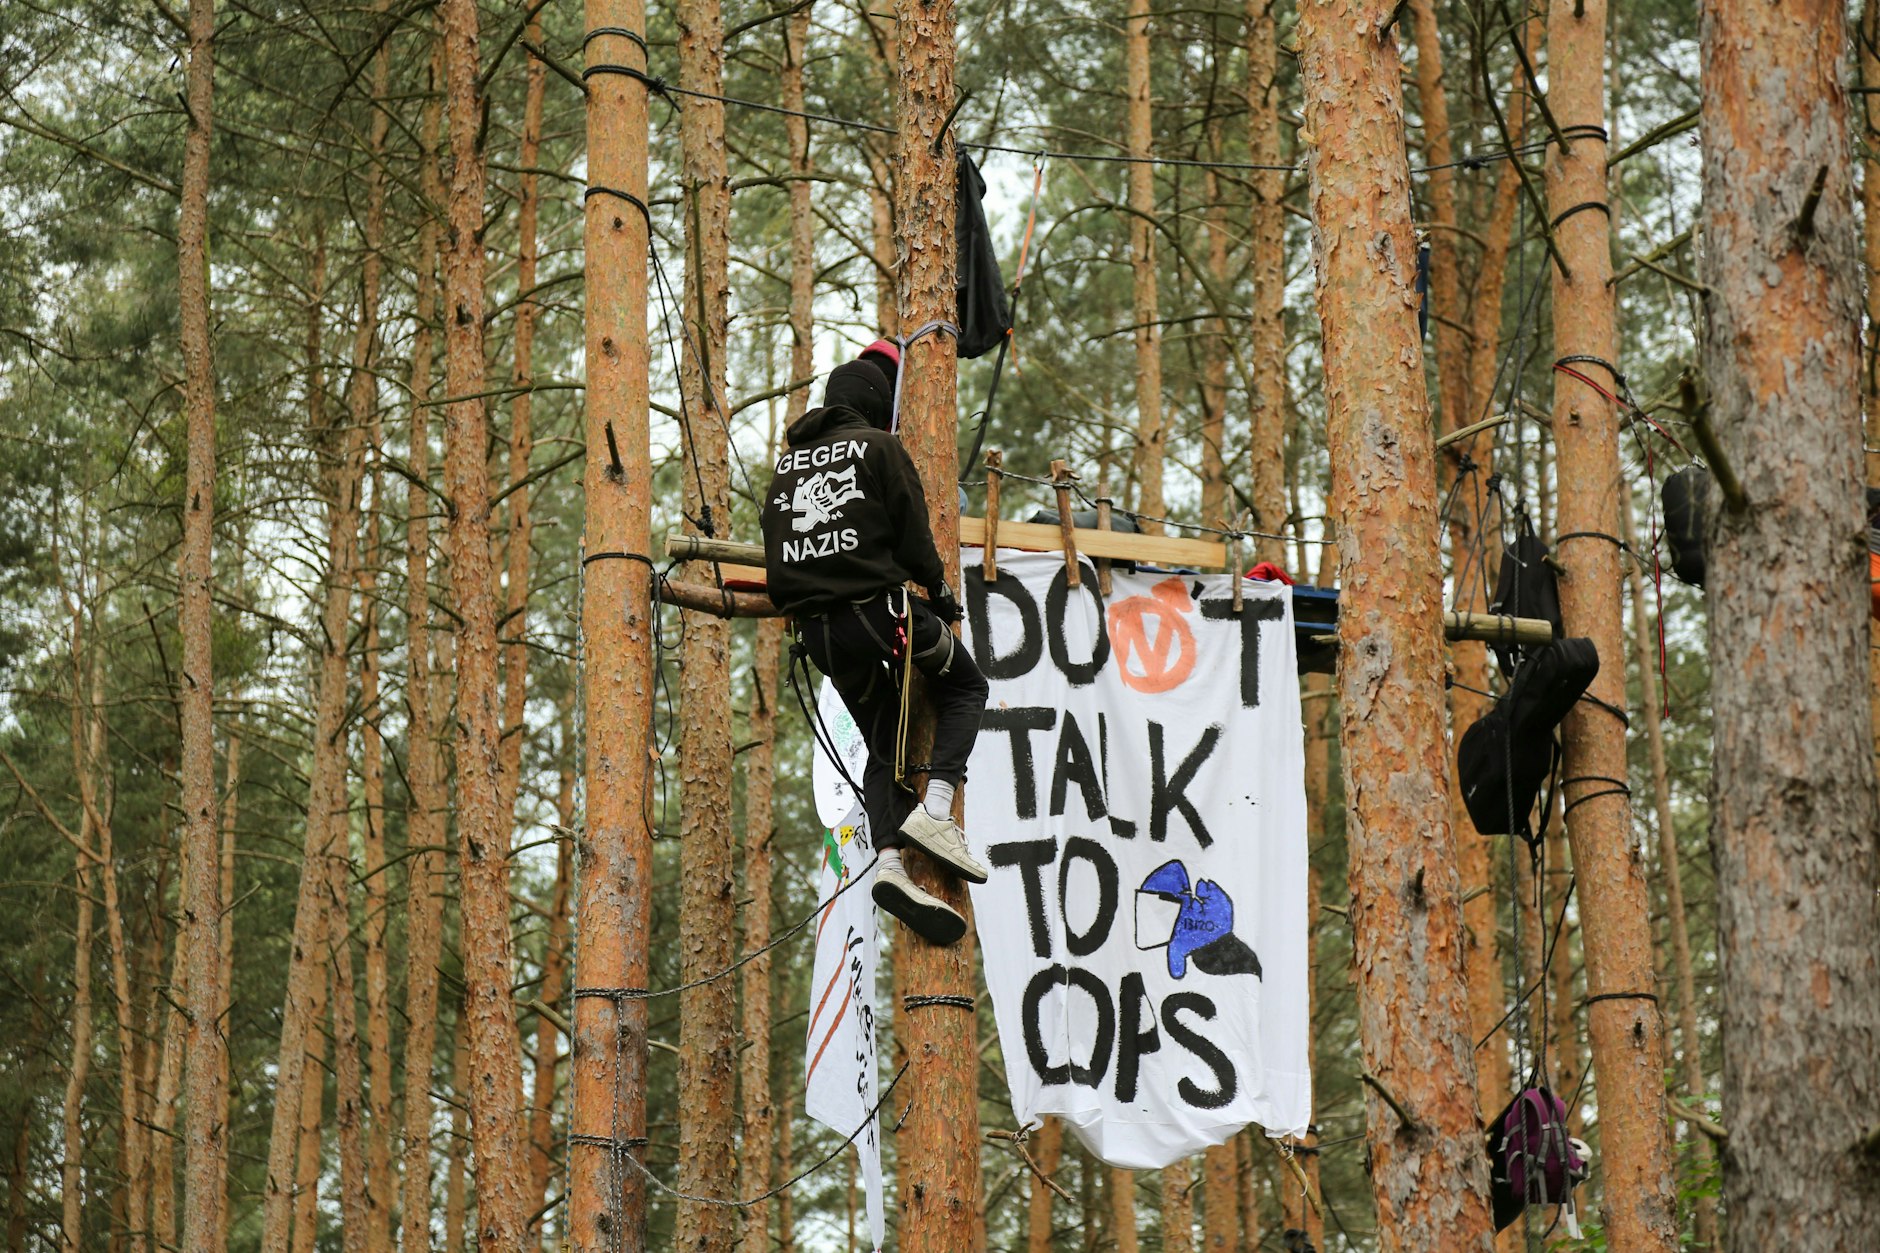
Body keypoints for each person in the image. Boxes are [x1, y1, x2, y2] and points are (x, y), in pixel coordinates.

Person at [761, 358, 989, 946]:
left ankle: (889, 862)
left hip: (821, 640)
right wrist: (938, 588)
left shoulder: (784, 470)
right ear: (873, 405)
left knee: (885, 739)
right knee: (966, 686)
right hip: (882, 620)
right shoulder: (878, 447)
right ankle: (937, 812)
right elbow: (912, 532)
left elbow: (777, 555)